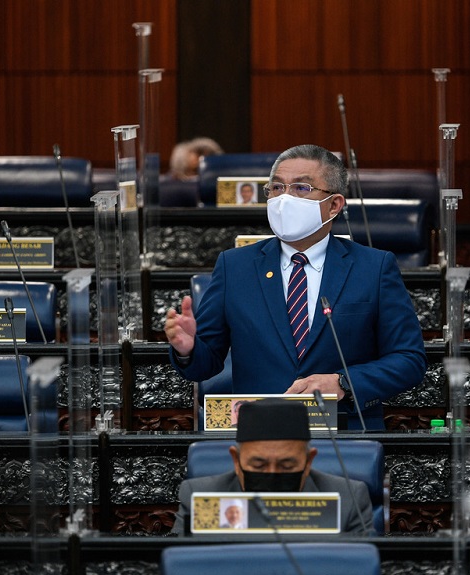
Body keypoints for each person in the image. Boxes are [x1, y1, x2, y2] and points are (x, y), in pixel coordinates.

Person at [165, 144, 427, 430]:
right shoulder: (234, 267)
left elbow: (408, 360)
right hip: (257, 433)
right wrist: (188, 349)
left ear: (334, 205)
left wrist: (343, 382)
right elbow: (207, 364)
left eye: (301, 188)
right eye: (276, 188)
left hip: (345, 433)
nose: (284, 198)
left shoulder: (374, 268)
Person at [171, 399, 375, 536]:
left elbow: (358, 571)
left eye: (287, 466)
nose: (272, 473)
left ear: (308, 461)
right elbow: (183, 569)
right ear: (236, 459)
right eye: (258, 465)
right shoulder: (200, 497)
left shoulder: (349, 498)